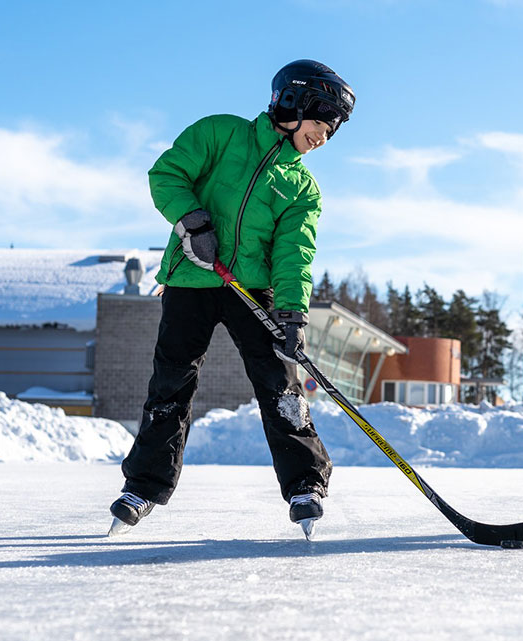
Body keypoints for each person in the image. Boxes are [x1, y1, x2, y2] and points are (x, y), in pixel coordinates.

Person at [109, 60, 355, 538]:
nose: (324, 137)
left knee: (279, 384)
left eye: (332, 131)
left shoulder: (302, 188)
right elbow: (167, 174)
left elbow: (294, 254)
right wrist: (193, 222)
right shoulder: (219, 133)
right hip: (191, 280)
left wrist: (291, 312)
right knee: (171, 383)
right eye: (321, 124)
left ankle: (305, 483)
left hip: (253, 291)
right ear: (292, 102)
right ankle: (143, 486)